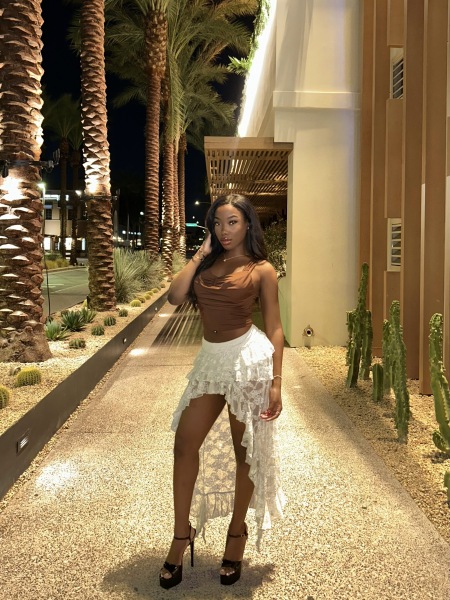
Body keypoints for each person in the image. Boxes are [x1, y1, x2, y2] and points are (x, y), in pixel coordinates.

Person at [159, 194, 285, 589]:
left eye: (232, 222)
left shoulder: (261, 269)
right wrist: (200, 253)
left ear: (247, 224)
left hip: (247, 360)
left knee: (244, 451)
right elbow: (174, 297)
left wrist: (277, 382)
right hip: (211, 360)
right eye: (217, 223)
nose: (224, 230)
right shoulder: (206, 264)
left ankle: (236, 534)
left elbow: (275, 327)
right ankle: (182, 536)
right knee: (185, 444)